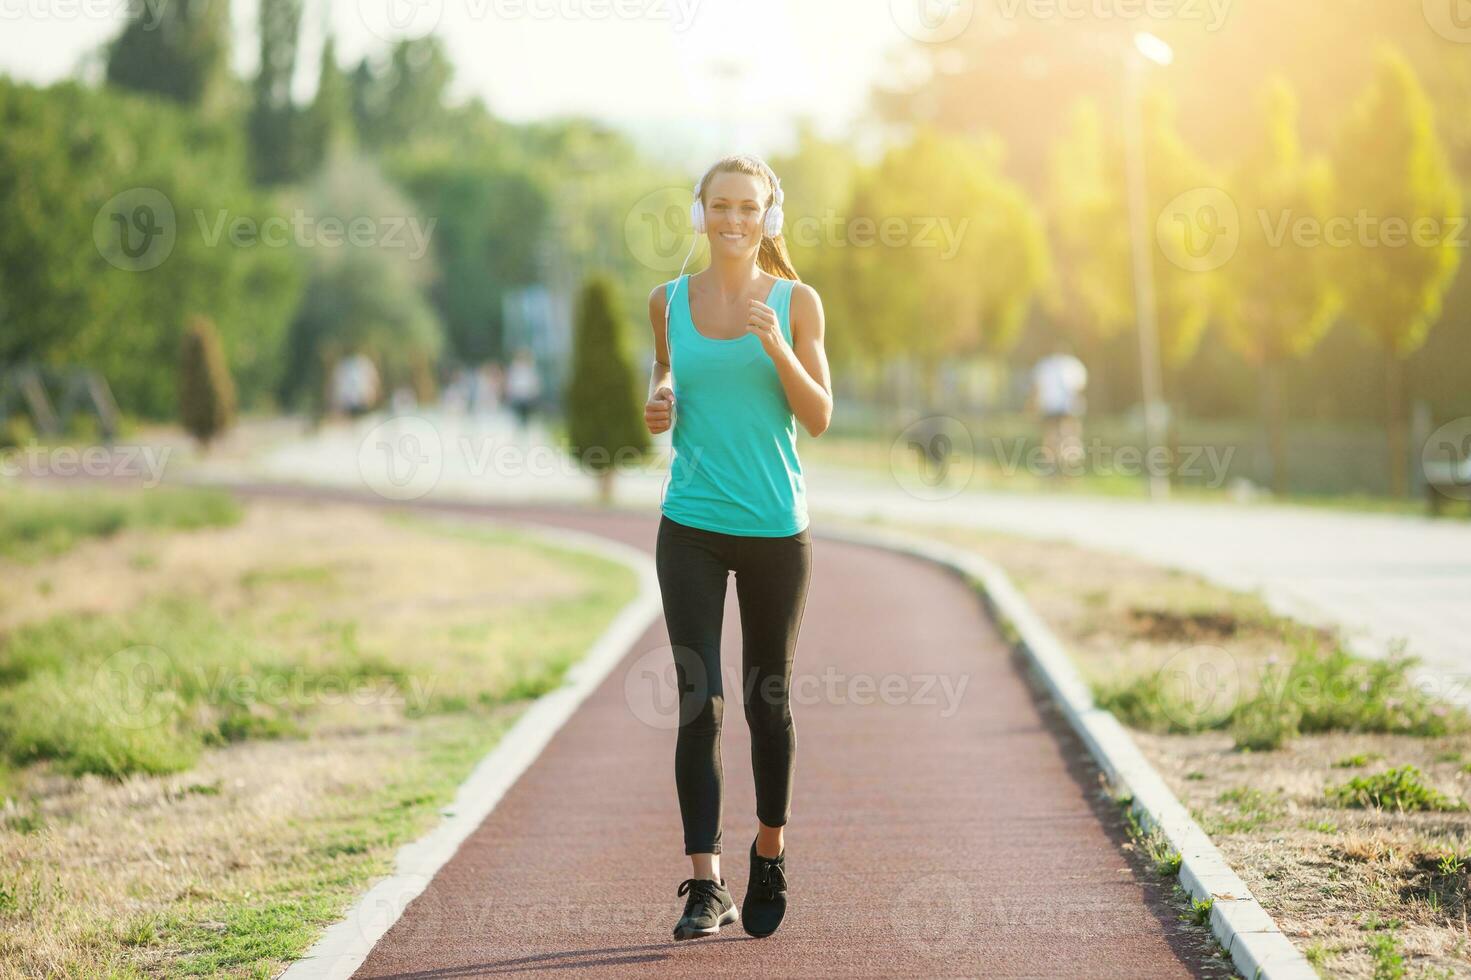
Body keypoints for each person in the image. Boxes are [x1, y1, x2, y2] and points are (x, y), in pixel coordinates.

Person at [644, 154, 833, 942]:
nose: (732, 220)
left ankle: (770, 851)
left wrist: (779, 348)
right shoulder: (666, 301)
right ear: (700, 213)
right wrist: (657, 397)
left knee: (767, 701)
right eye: (720, 206)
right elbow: (665, 372)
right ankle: (703, 883)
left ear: (769, 218)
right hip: (688, 523)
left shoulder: (797, 302)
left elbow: (818, 416)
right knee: (698, 700)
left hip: (773, 531)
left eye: (747, 208)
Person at [1030, 340, 1088, 474]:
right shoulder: (1074, 365)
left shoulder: (1045, 365)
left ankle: (1052, 465)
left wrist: (1033, 406)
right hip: (1068, 408)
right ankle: (1068, 465)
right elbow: (1079, 389)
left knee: (1051, 435)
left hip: (1050, 406)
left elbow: (1037, 389)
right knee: (1068, 435)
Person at [504, 348, 542, 432]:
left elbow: (534, 382)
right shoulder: (514, 367)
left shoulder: (530, 368)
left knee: (525, 414)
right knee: (517, 413)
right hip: (517, 395)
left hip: (526, 395)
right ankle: (519, 427)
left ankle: (524, 427)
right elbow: (511, 381)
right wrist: (509, 391)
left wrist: (534, 392)